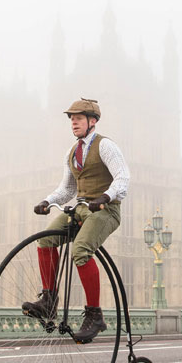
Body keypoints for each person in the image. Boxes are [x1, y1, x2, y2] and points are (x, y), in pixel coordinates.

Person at [21, 98, 130, 343]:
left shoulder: (105, 147)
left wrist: (106, 196)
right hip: (81, 208)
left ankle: (95, 315)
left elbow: (122, 178)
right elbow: (67, 188)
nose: (73, 122)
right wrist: (48, 201)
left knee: (80, 250)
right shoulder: (72, 152)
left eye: (78, 118)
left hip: (105, 211)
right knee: (46, 240)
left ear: (92, 121)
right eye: (71, 119)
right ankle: (48, 300)